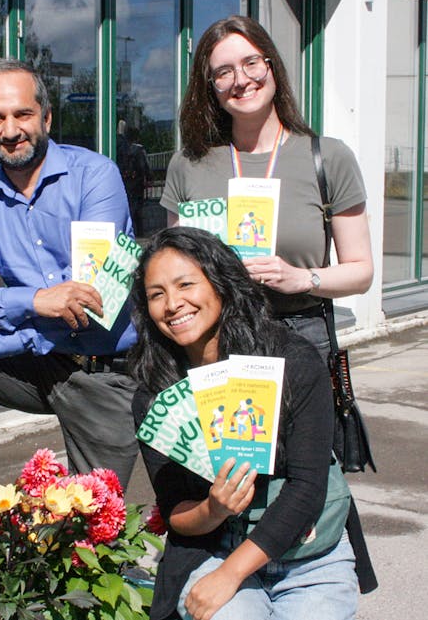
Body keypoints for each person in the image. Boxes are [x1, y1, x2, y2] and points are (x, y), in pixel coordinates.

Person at [129, 227, 375, 620]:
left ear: (221, 284)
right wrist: (213, 508)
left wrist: (230, 575)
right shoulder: (155, 394)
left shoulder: (292, 360)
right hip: (214, 550)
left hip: (310, 556)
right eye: (156, 294)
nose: (173, 304)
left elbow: (307, 488)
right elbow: (175, 511)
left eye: (186, 284)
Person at [0, 58, 138, 487]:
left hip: (102, 371)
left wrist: (1, 342)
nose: (10, 130)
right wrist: (35, 300)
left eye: (23, 114)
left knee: (91, 518)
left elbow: (93, 302)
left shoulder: (95, 177)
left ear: (46, 118)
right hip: (34, 369)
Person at [162, 15, 373, 356]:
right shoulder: (188, 164)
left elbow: (361, 272)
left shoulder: (328, 158)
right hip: (215, 337)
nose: (241, 80)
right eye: (224, 72)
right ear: (210, 86)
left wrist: (303, 278)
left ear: (272, 66)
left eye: (251, 63)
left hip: (300, 333)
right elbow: (174, 268)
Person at [117, 121, 153, 233]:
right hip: (137, 181)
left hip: (124, 180)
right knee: (137, 207)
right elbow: (143, 165)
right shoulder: (139, 150)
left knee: (128, 205)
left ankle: (128, 229)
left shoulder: (120, 148)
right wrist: (149, 177)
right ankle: (139, 230)